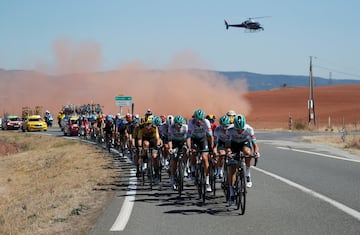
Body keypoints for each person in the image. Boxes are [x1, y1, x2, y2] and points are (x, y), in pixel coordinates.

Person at [226, 114, 260, 206]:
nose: (239, 131)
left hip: (244, 143)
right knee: (233, 169)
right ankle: (232, 193)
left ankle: (247, 174)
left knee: (248, 153)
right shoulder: (229, 129)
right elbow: (228, 146)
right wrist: (229, 153)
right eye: (237, 129)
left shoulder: (249, 129)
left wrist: (256, 152)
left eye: (241, 129)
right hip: (233, 145)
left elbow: (255, 145)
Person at [186, 109, 214, 192]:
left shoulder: (206, 122)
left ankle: (207, 181)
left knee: (205, 158)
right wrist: (189, 148)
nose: (198, 121)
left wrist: (211, 148)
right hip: (194, 139)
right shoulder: (191, 123)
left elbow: (210, 137)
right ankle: (193, 170)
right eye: (197, 120)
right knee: (193, 153)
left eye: (200, 119)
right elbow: (188, 137)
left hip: (203, 139)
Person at [137, 115, 162, 184]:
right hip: (145, 139)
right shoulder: (141, 128)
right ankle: (145, 162)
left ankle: (156, 174)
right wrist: (139, 146)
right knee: (145, 144)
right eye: (146, 124)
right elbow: (139, 139)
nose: (148, 126)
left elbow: (157, 138)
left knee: (154, 156)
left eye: (149, 124)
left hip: (153, 140)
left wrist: (157, 145)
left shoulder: (154, 127)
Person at [167, 115, 188, 190]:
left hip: (182, 142)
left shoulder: (185, 127)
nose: (179, 126)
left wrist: (189, 147)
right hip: (175, 143)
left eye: (180, 124)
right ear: (174, 124)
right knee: (174, 160)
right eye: (177, 125)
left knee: (186, 150)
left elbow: (188, 138)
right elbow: (169, 140)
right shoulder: (171, 128)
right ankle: (172, 178)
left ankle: (185, 167)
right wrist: (170, 148)